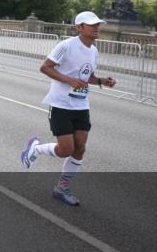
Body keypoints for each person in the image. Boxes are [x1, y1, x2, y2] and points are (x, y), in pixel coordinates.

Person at [20, 11, 116, 206]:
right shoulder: (66, 46)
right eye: (92, 24)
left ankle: (61, 188)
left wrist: (101, 81)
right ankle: (36, 149)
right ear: (79, 27)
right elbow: (45, 67)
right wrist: (69, 80)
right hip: (61, 104)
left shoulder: (94, 51)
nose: (96, 27)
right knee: (66, 149)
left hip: (81, 105)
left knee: (80, 148)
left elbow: (86, 75)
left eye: (98, 24)